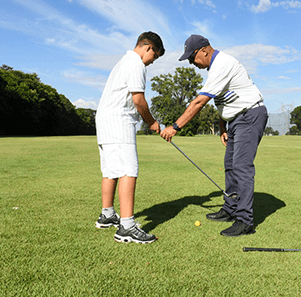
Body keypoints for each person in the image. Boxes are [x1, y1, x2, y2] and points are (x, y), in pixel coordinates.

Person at [160, 34, 268, 237]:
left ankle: (245, 221)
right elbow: (222, 103)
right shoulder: (214, 70)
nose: (192, 63)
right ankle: (231, 209)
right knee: (230, 165)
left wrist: (175, 127)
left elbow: (199, 102)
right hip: (236, 120)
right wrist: (222, 127)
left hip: (250, 115)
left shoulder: (223, 64)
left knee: (242, 168)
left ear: (203, 50)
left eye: (192, 58)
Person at [95, 31, 165, 244]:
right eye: (155, 56)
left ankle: (107, 215)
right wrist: (153, 123)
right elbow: (139, 100)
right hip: (119, 121)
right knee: (128, 170)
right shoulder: (136, 64)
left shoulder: (122, 62)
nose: (153, 61)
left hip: (105, 120)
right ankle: (126, 226)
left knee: (111, 170)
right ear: (148, 47)